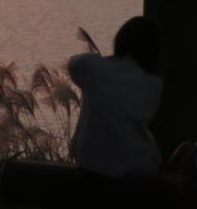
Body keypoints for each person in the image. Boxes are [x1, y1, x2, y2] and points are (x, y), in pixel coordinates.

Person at [68, 16, 163, 178]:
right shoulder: (153, 83)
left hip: (89, 161)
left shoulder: (93, 66)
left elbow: (73, 65)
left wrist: (104, 63)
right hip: (134, 166)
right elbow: (146, 116)